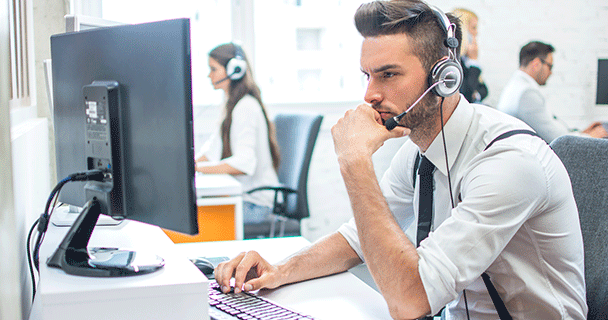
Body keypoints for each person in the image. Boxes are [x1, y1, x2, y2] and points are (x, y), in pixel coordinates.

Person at [214, 2, 587, 319]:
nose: (370, 94)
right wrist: (279, 270)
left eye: (388, 75)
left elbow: (411, 300)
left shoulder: (508, 163)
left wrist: (354, 163)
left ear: (445, 77)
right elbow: (357, 239)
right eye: (367, 76)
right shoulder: (420, 150)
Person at [196, 43, 280, 225]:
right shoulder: (232, 106)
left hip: (256, 204)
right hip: (244, 199)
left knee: (200, 221)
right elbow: (211, 152)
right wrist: (188, 165)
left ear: (235, 70)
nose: (209, 75)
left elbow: (244, 164)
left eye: (213, 69)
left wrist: (196, 169)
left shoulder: (245, 107)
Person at [497, 41, 608, 143]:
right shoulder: (527, 93)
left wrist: (581, 133)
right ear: (536, 64)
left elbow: (552, 131)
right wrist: (590, 137)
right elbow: (558, 140)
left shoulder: (516, 86)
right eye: (550, 66)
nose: (551, 73)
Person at [453, 8, 488, 104]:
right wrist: (473, 62)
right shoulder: (453, 60)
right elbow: (466, 95)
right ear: (463, 31)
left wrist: (476, 95)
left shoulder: (465, 59)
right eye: (473, 28)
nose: (476, 32)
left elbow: (484, 90)